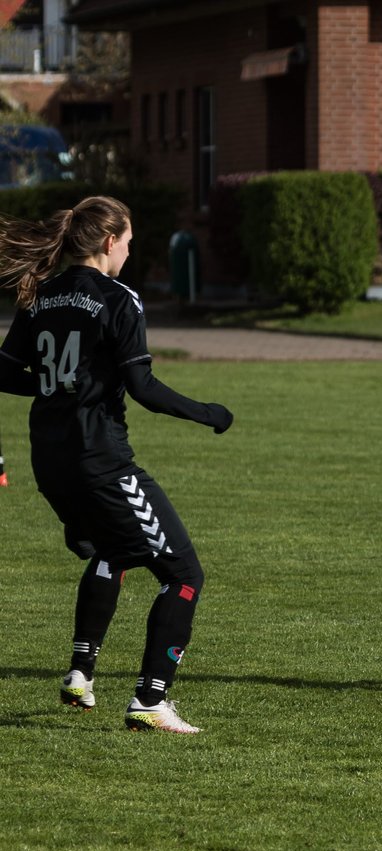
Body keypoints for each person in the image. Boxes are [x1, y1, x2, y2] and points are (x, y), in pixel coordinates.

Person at [0, 196, 233, 734]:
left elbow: (5, 372)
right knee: (184, 575)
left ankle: (80, 673)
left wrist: (55, 381)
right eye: (128, 241)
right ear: (109, 242)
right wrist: (210, 414)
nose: (130, 251)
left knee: (115, 551)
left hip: (49, 462)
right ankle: (151, 699)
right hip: (100, 460)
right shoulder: (118, 298)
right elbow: (143, 389)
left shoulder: (40, 296)